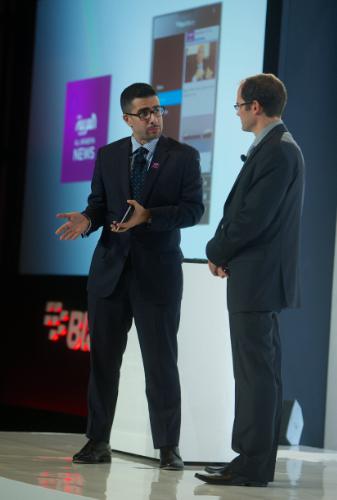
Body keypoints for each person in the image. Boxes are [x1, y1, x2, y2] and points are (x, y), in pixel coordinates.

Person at [55, 82, 204, 469]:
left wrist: (149, 216)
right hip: (110, 273)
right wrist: (86, 220)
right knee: (104, 362)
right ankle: (98, 441)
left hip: (158, 275)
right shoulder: (107, 155)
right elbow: (99, 206)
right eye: (145, 113)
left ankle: (168, 447)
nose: (154, 118)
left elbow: (193, 211)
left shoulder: (184, 156)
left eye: (157, 111)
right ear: (127, 118)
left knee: (161, 364)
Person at [195, 73, 305, 487]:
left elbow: (253, 218)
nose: (238, 113)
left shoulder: (278, 152)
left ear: (255, 107)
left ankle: (253, 464)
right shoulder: (274, 149)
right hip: (255, 276)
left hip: (258, 279)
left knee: (257, 373)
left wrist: (217, 250)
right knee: (255, 371)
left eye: (239, 106)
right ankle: (248, 459)